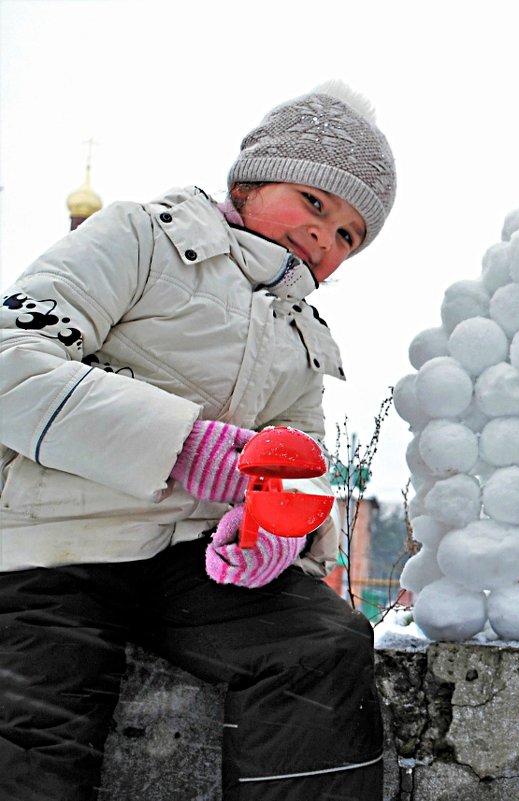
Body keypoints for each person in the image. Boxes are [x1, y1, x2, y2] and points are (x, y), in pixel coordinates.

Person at [0, 81, 396, 800]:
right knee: (34, 730)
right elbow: (10, 359)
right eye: (314, 203)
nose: (324, 238)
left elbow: (297, 466)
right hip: (55, 540)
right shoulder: (140, 236)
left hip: (193, 561)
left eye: (348, 235)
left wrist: (278, 534)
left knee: (323, 646)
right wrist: (181, 443)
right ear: (247, 181)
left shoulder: (303, 334)